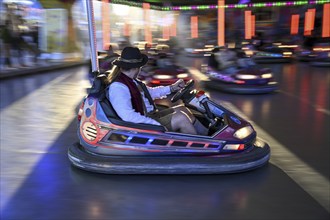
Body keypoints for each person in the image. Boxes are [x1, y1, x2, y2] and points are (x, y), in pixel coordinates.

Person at [105, 47, 208, 135]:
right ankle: (202, 147)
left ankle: (208, 136)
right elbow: (128, 116)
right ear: (137, 67)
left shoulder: (132, 81)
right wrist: (156, 126)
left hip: (151, 114)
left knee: (183, 109)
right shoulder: (118, 87)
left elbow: (149, 93)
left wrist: (172, 88)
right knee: (181, 118)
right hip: (141, 124)